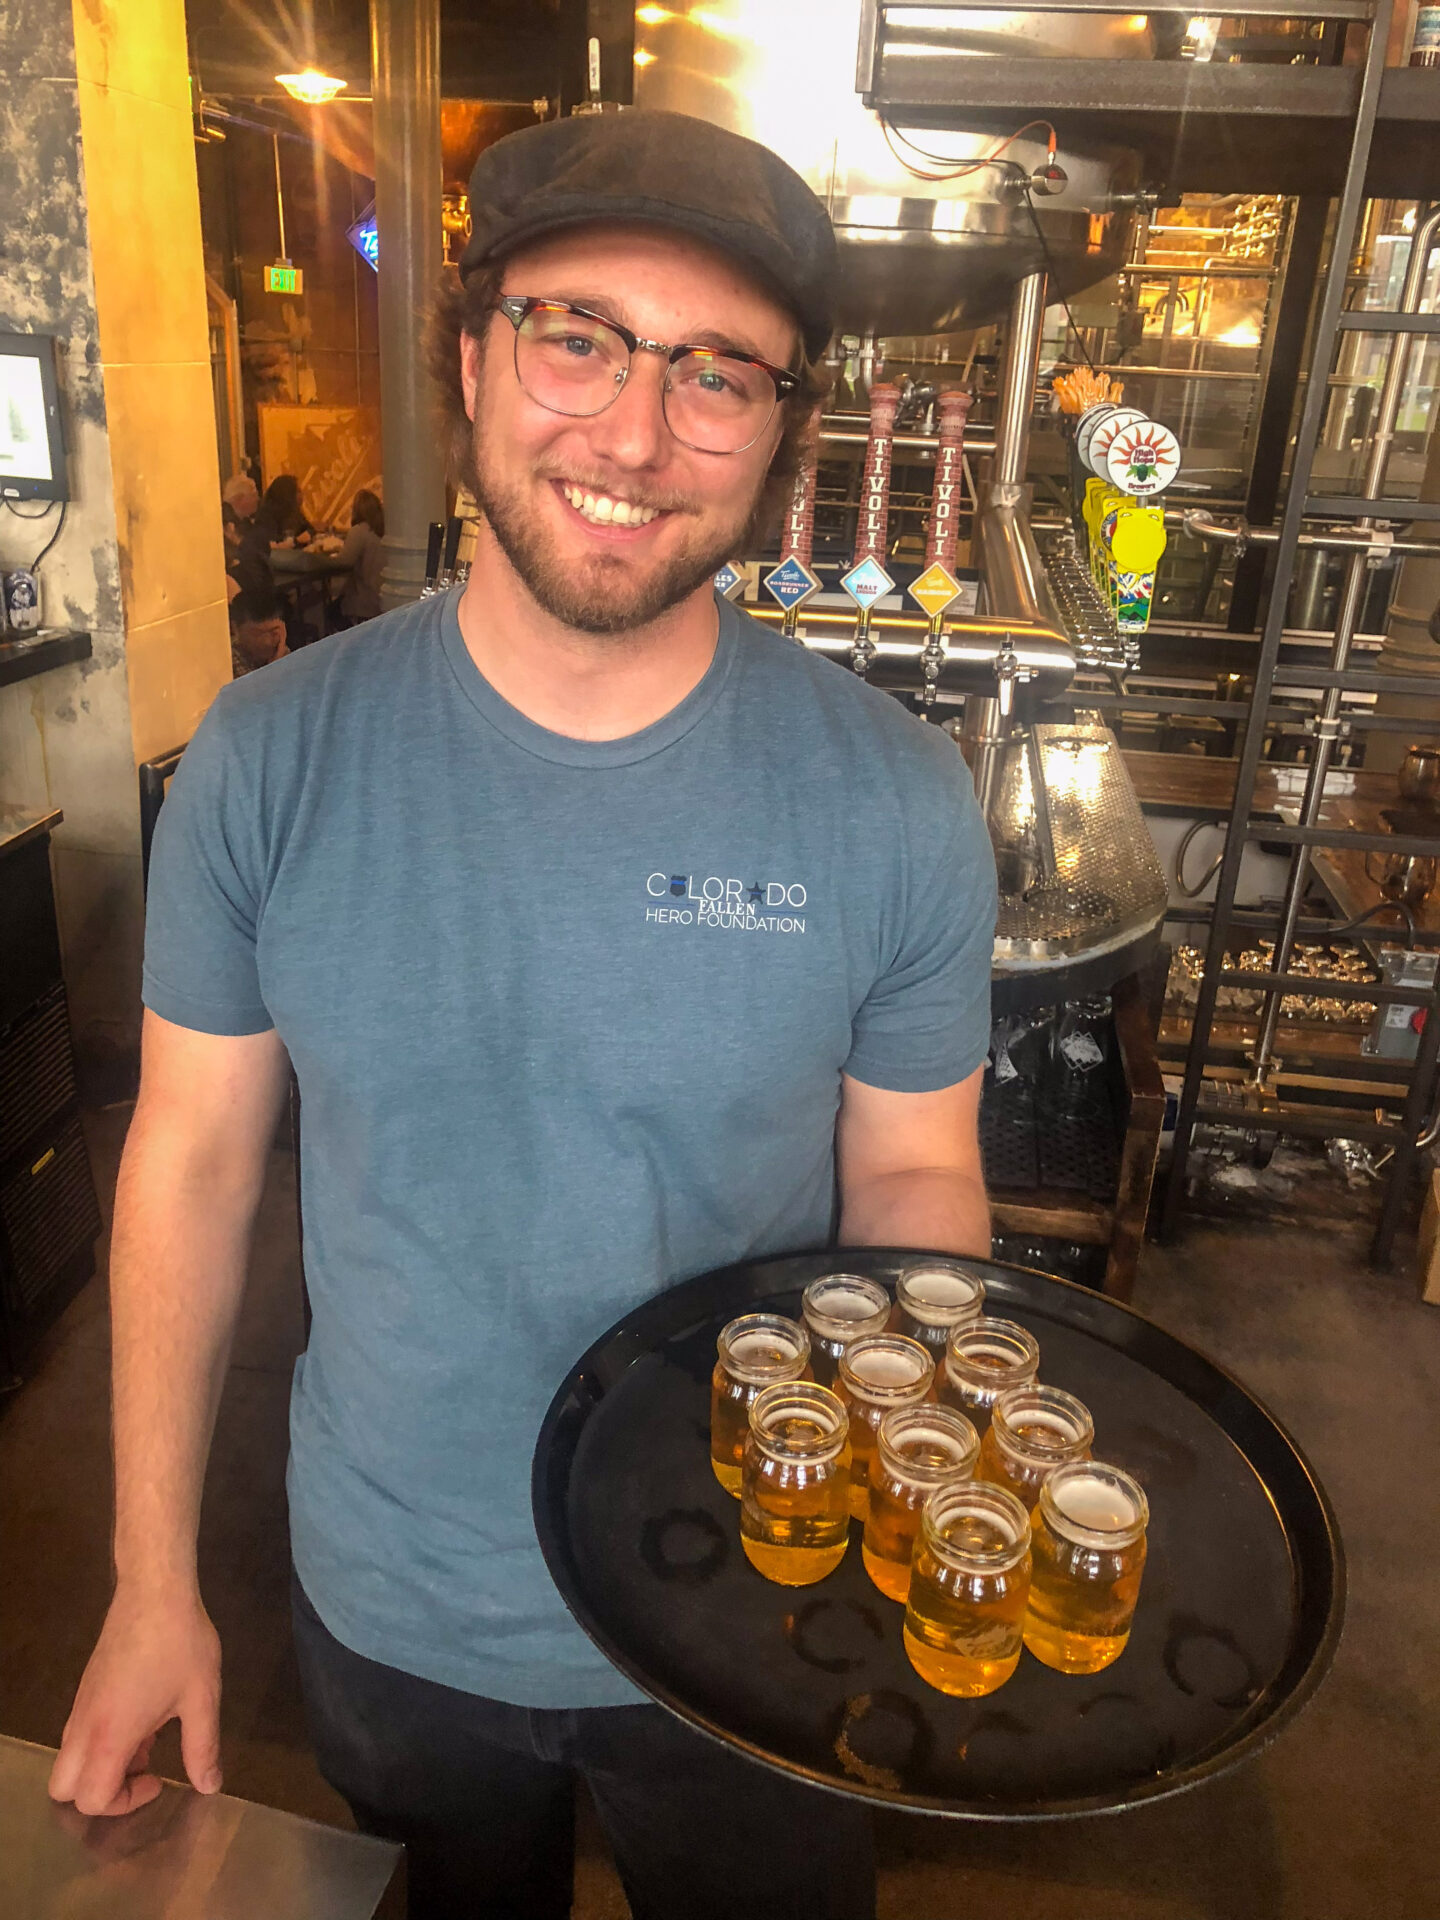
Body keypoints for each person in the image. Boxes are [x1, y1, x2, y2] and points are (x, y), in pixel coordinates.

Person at [48, 110, 996, 1920]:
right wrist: (152, 1582)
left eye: (720, 373)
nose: (636, 436)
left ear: (784, 432)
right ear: (473, 356)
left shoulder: (889, 799)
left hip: (763, 1614)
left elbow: (915, 1181)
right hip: (396, 1611)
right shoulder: (271, 758)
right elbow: (187, 1166)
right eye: (579, 337)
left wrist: (909, 1498)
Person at [336, 487, 385, 624]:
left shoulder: (358, 531)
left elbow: (344, 562)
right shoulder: (384, 530)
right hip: (382, 600)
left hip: (363, 602)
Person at [227, 583, 287, 677]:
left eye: (273, 632)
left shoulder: (279, 646)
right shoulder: (229, 662)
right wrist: (275, 664)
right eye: (257, 633)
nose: (267, 642)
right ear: (235, 628)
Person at [252, 472, 314, 549]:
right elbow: (272, 544)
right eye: (298, 492)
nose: (301, 495)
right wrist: (297, 541)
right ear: (288, 494)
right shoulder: (266, 516)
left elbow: (309, 530)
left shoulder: (295, 513)